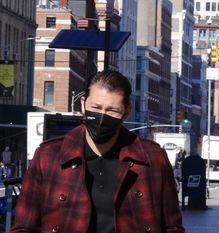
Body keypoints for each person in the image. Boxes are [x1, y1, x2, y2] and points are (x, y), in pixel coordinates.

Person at [12, 71, 185, 233]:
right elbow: (24, 227)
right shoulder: (48, 157)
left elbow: (172, 227)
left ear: (126, 112)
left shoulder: (153, 159)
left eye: (112, 110)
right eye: (95, 107)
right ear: (83, 105)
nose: (102, 116)